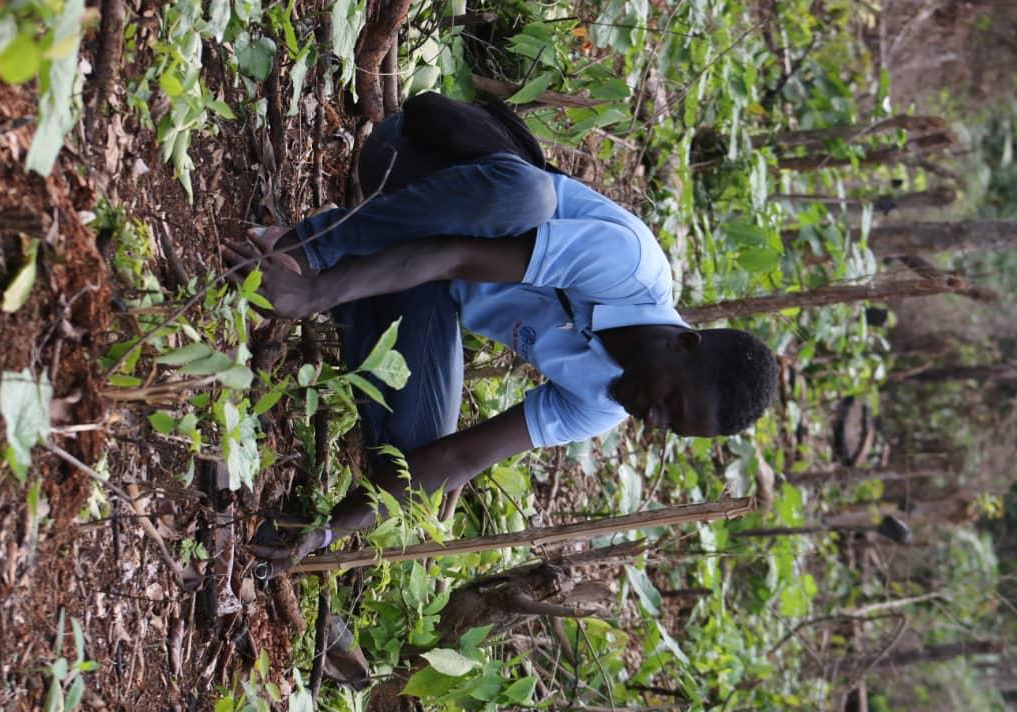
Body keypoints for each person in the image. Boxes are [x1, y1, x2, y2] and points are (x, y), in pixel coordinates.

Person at [222, 92, 778, 576]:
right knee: (527, 196)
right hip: (415, 171)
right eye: (670, 403)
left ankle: (345, 278)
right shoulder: (629, 267)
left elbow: (461, 457)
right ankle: (307, 248)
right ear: (683, 343)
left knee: (417, 447)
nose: (651, 419)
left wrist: (328, 533)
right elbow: (458, 252)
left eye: (669, 426)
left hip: (431, 284)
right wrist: (314, 293)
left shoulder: (606, 401)